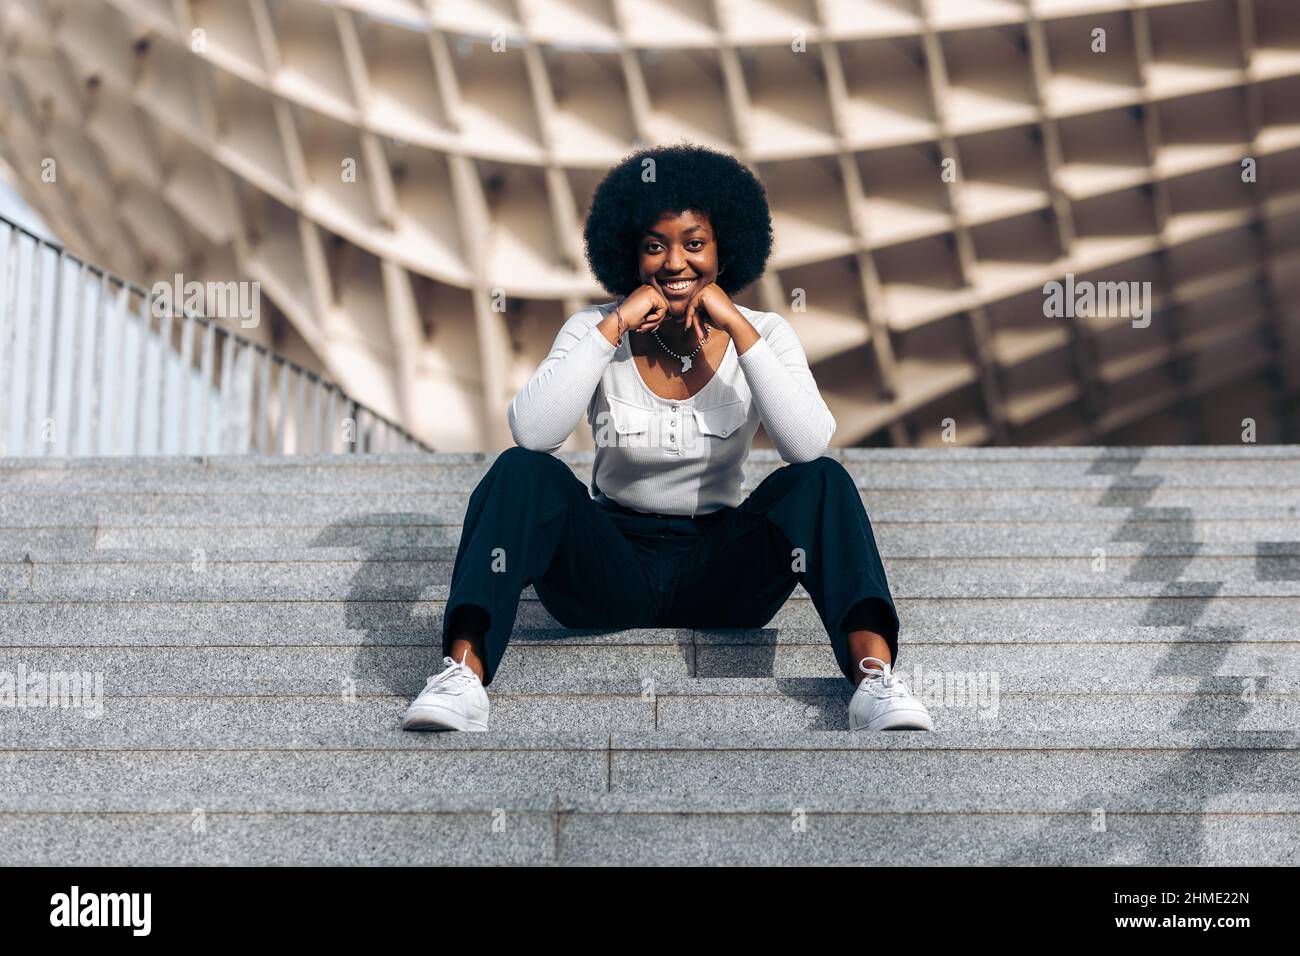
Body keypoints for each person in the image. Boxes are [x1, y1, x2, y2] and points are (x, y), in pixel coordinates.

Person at [402, 143, 933, 733]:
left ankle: (874, 681)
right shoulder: (593, 328)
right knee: (520, 471)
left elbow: (807, 445)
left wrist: (737, 327)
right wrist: (615, 327)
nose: (675, 262)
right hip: (609, 568)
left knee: (823, 482)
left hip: (720, 571)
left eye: (694, 244)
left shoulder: (765, 333)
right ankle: (463, 677)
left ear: (724, 250)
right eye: (656, 246)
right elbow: (533, 431)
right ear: (631, 256)